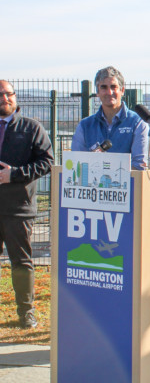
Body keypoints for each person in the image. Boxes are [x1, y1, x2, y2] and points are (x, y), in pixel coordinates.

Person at [0, 80, 54, 329]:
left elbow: (46, 163)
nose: (5, 99)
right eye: (0, 95)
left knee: (21, 262)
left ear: (15, 97)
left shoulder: (31, 128)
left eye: (8, 94)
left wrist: (15, 174)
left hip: (18, 208)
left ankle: (26, 312)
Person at [71, 66, 148, 169]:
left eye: (113, 87)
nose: (109, 92)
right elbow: (76, 164)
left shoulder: (137, 123)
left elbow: (139, 166)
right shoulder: (85, 126)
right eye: (104, 87)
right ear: (97, 92)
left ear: (122, 90)